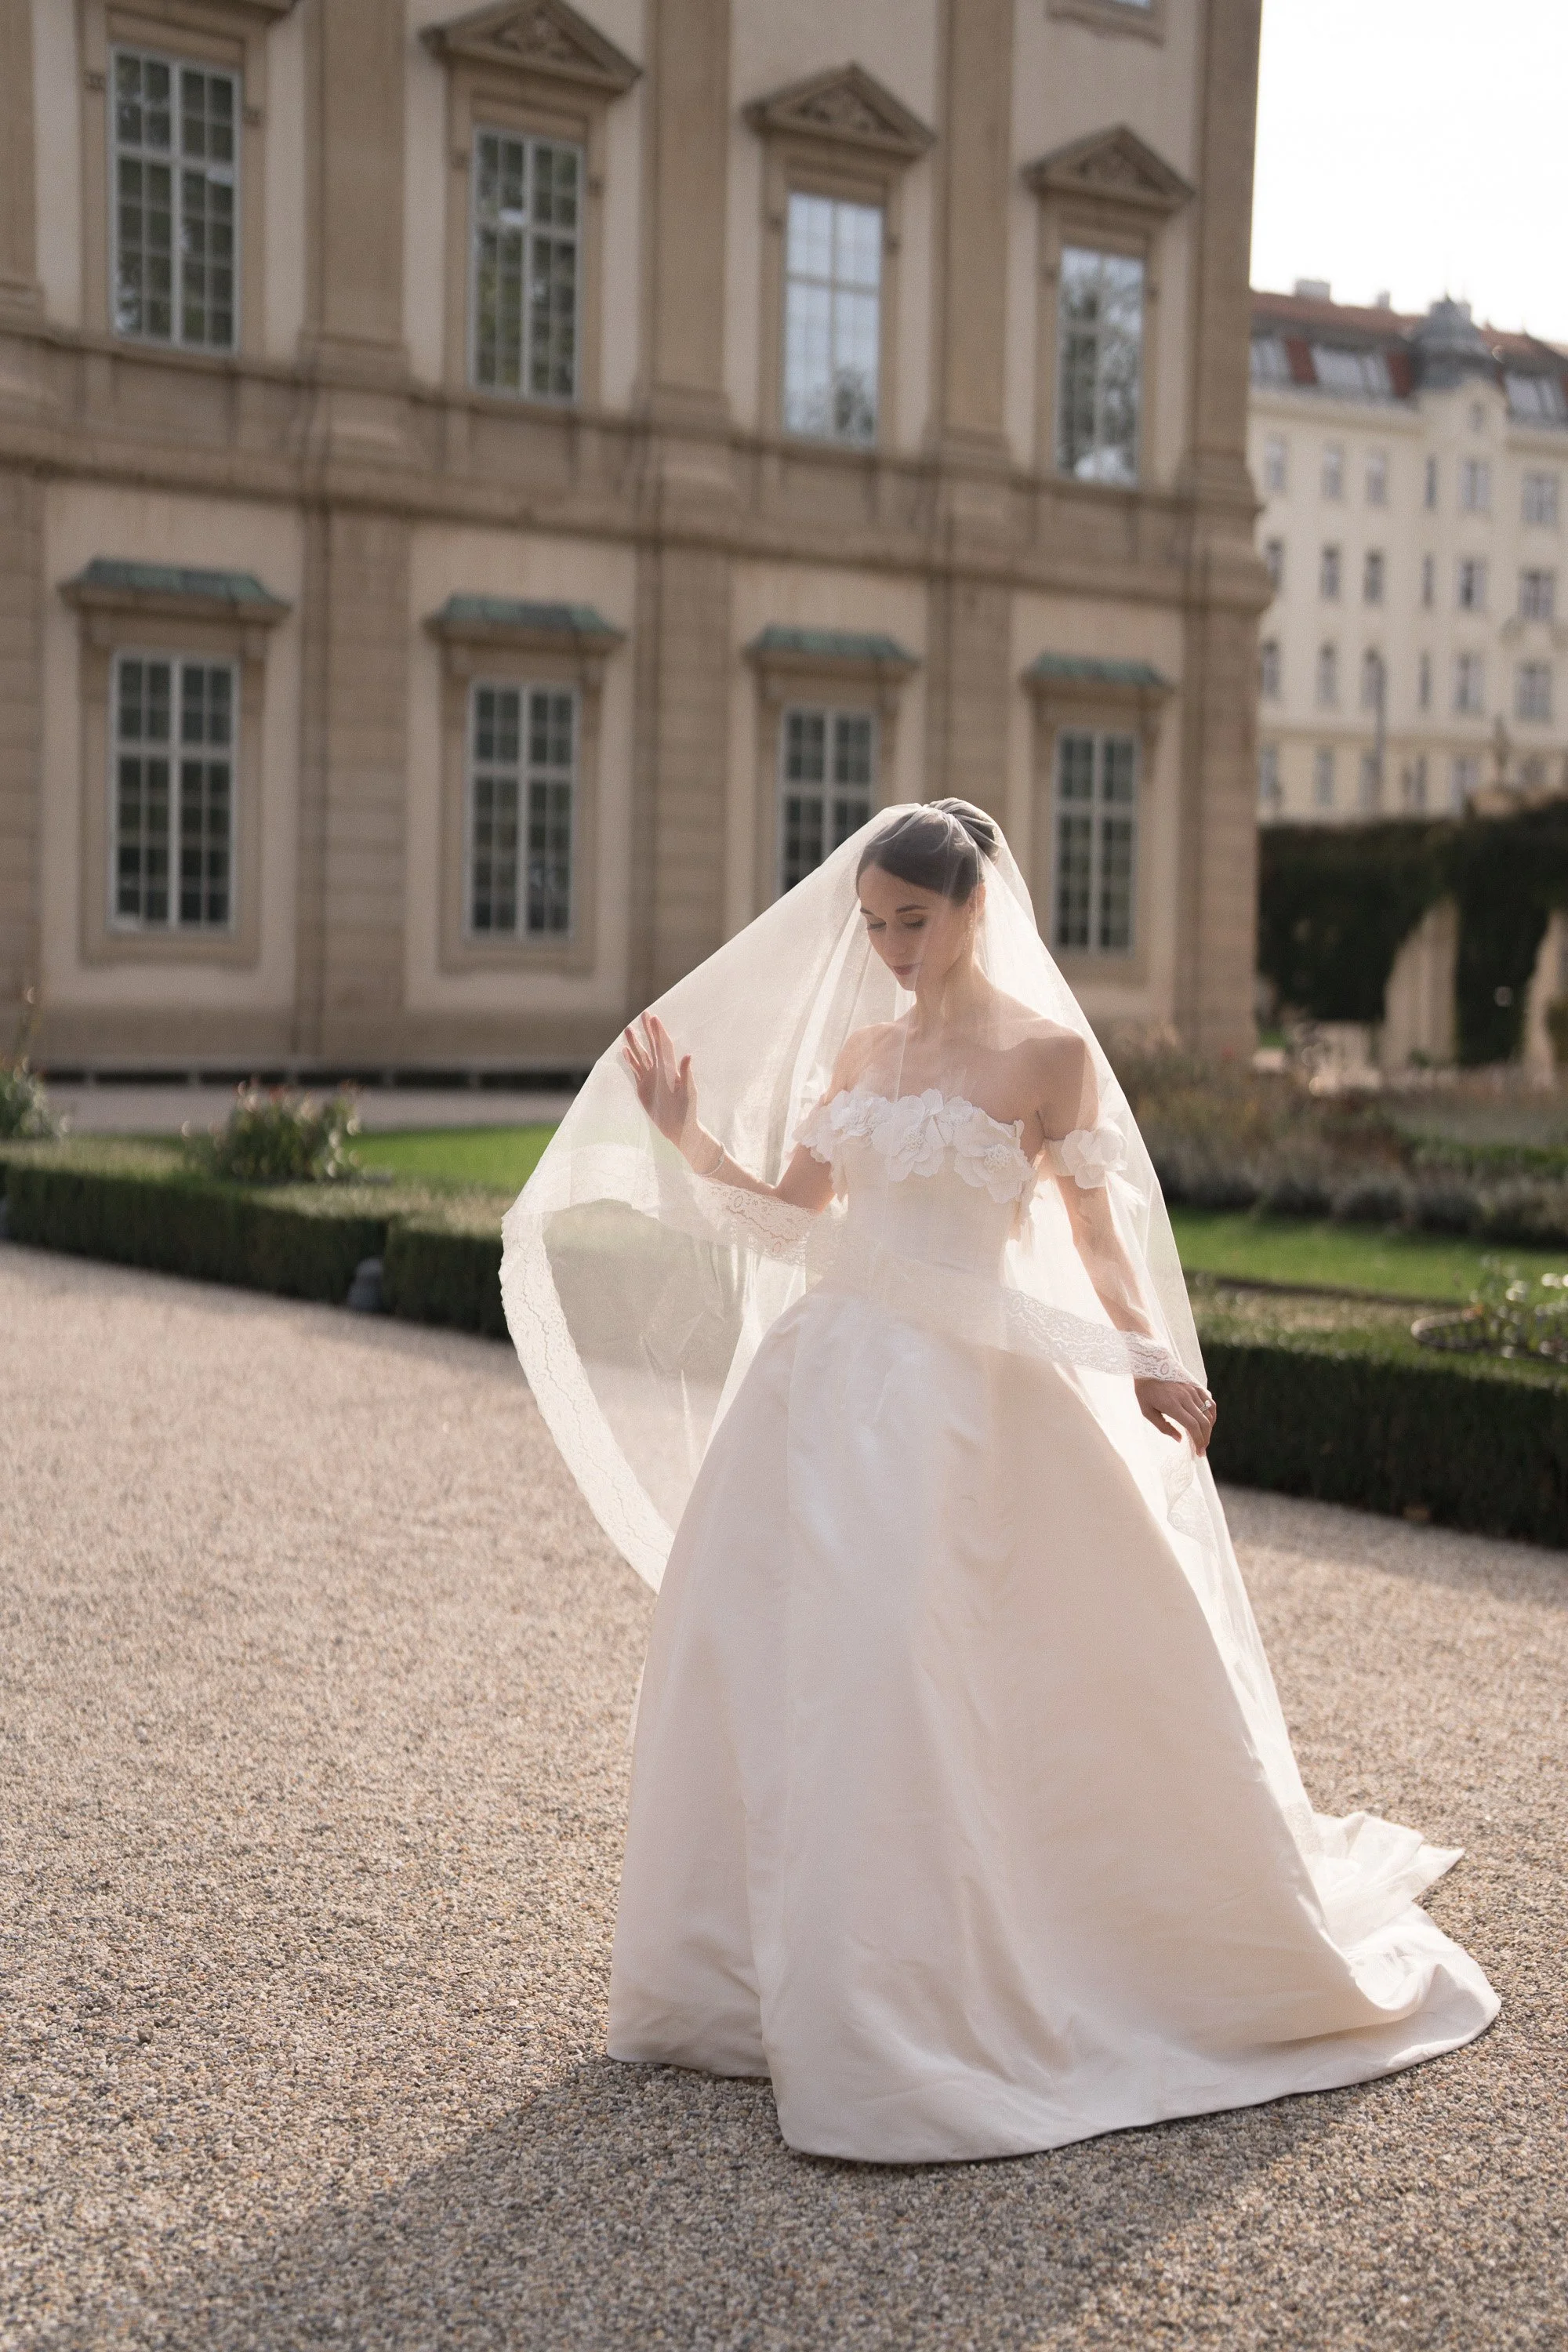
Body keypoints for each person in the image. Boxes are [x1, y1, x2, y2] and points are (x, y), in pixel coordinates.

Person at [502, 800, 1497, 2165]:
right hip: (827, 1386)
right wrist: (685, 1137)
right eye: (874, 926)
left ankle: (939, 1987)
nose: (893, 948)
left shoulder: (1046, 1057)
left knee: (936, 1666)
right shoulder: (860, 1051)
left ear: (975, 909)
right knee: (786, 1655)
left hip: (969, 1398)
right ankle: (766, 1979)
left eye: (914, 921)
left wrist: (1146, 1356)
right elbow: (791, 1223)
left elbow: (1096, 1236)